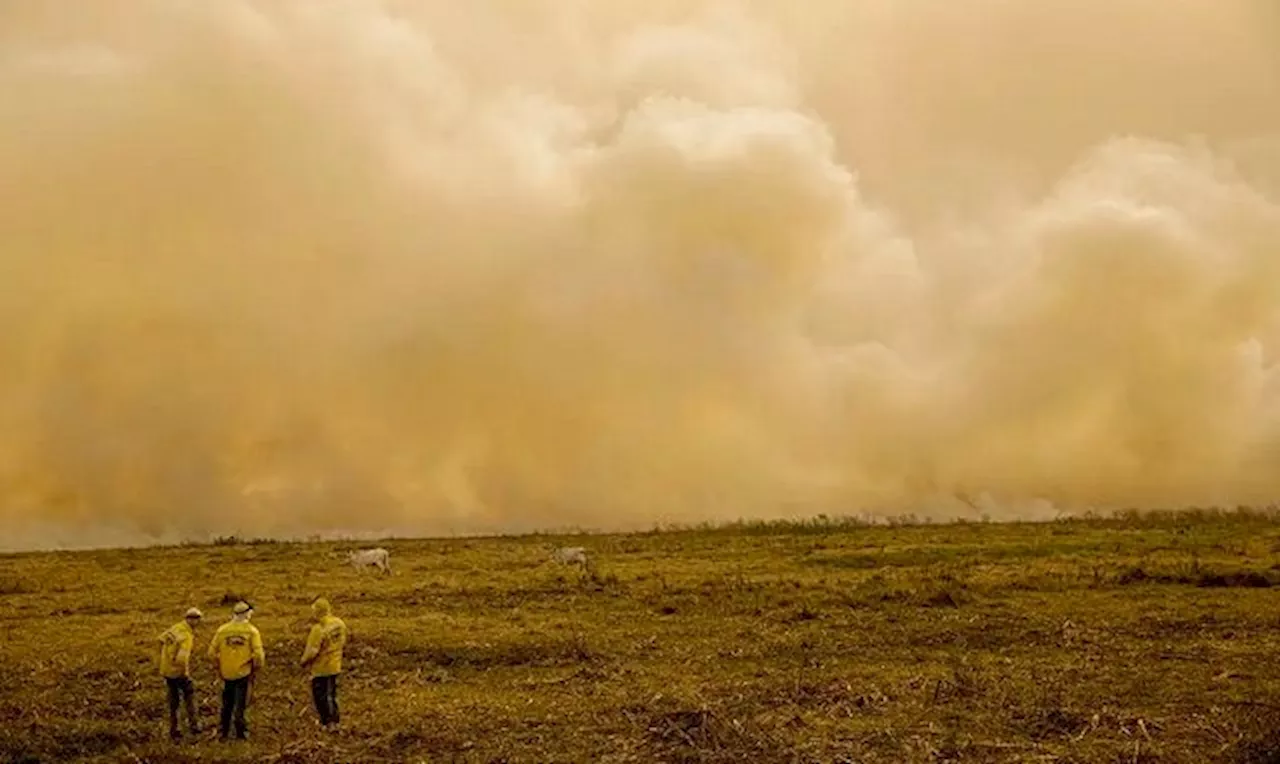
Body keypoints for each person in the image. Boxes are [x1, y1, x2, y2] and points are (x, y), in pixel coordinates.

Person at [207, 601, 265, 741]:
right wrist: (256, 667)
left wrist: (218, 667)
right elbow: (258, 655)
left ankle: (224, 732)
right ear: (247, 614)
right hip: (243, 673)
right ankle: (241, 734)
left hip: (226, 673)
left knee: (227, 704)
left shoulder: (222, 630)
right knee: (241, 704)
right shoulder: (252, 631)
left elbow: (211, 653)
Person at [299, 597, 347, 729]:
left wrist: (303, 661)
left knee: (321, 697)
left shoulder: (318, 629)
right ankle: (336, 720)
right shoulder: (339, 623)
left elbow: (312, 651)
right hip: (336, 665)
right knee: (332, 694)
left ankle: (327, 723)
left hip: (321, 668)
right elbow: (343, 642)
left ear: (318, 611)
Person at [157, 607, 203, 740]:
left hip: (166, 669)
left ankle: (174, 728)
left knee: (173, 699)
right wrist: (185, 674)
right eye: (197, 620)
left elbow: (161, 639)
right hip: (178, 672)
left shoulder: (175, 628)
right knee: (190, 696)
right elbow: (182, 659)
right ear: (193, 620)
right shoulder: (186, 636)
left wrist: (165, 658)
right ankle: (194, 726)